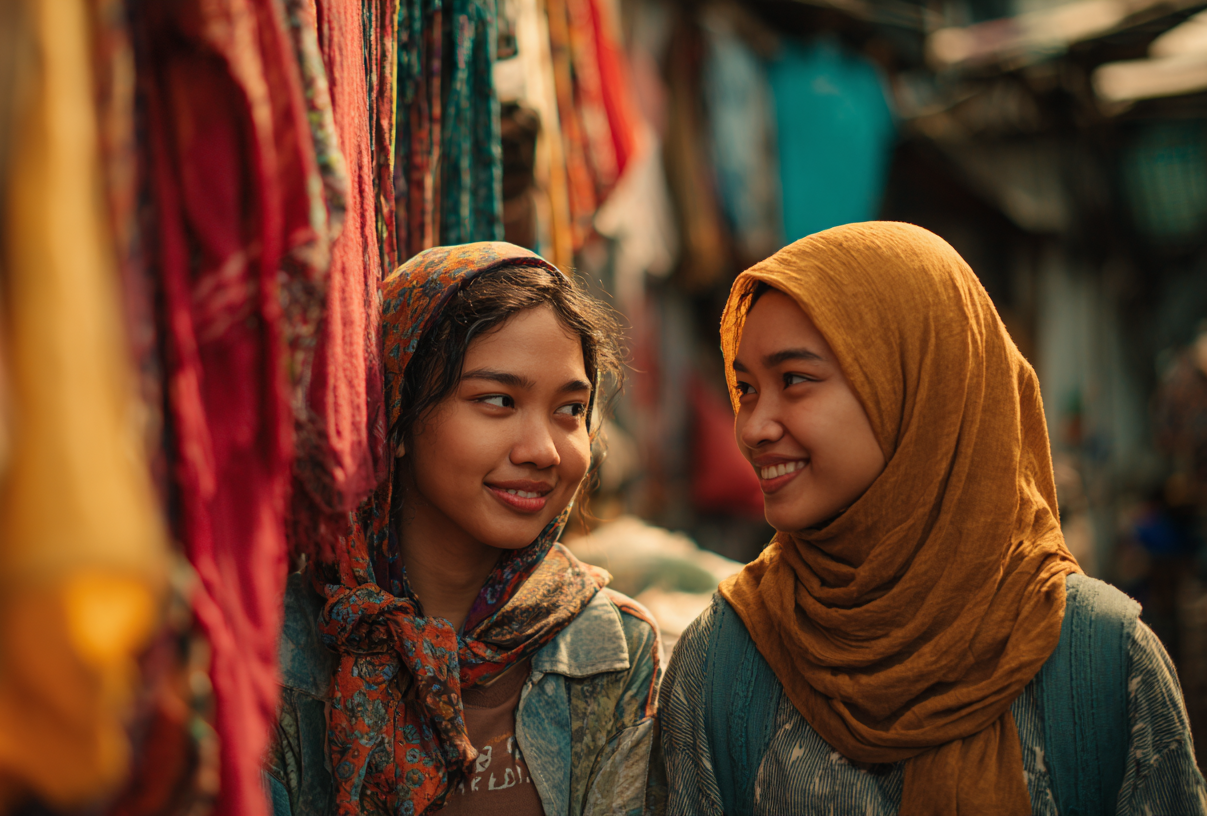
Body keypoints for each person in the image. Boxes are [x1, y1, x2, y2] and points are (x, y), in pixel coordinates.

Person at [650, 222, 1207, 816]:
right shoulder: (723, 665)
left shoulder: (1100, 664)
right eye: (746, 388)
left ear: (916, 384)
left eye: (794, 380)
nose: (754, 427)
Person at [267, 242, 661, 816]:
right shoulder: (288, 645)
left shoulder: (614, 649)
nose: (544, 451)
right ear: (395, 417)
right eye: (499, 401)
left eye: (571, 410)